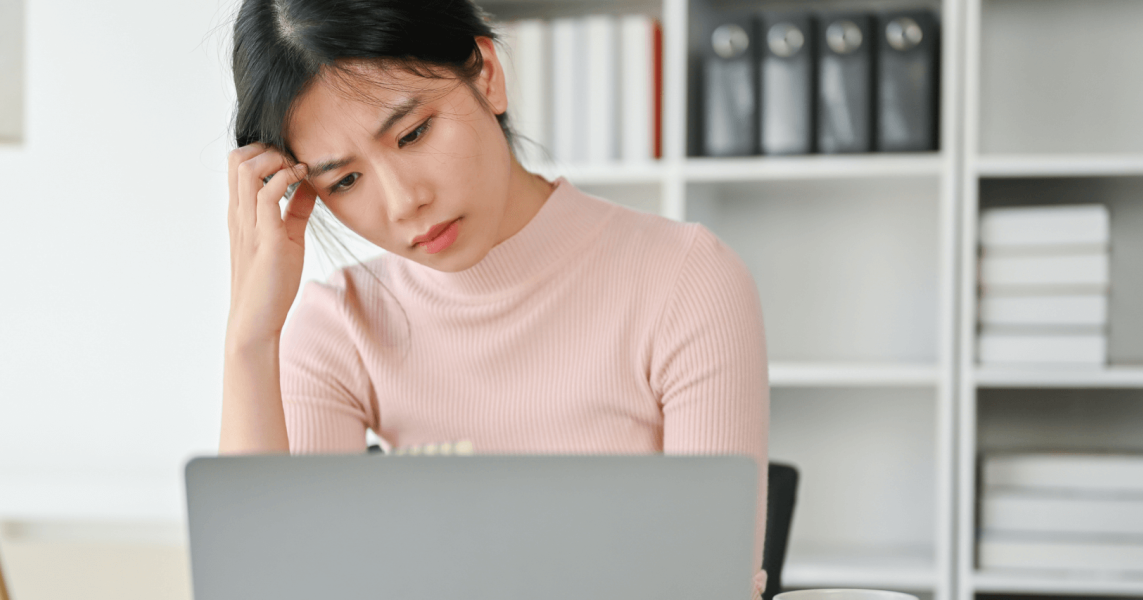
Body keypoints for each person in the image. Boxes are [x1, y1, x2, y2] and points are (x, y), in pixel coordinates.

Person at [219, 0, 770, 594]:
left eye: (413, 133)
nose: (405, 201)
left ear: (486, 73)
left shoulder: (684, 280)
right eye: (345, 181)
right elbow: (279, 587)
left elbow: (710, 584)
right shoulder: (341, 329)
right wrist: (250, 342)